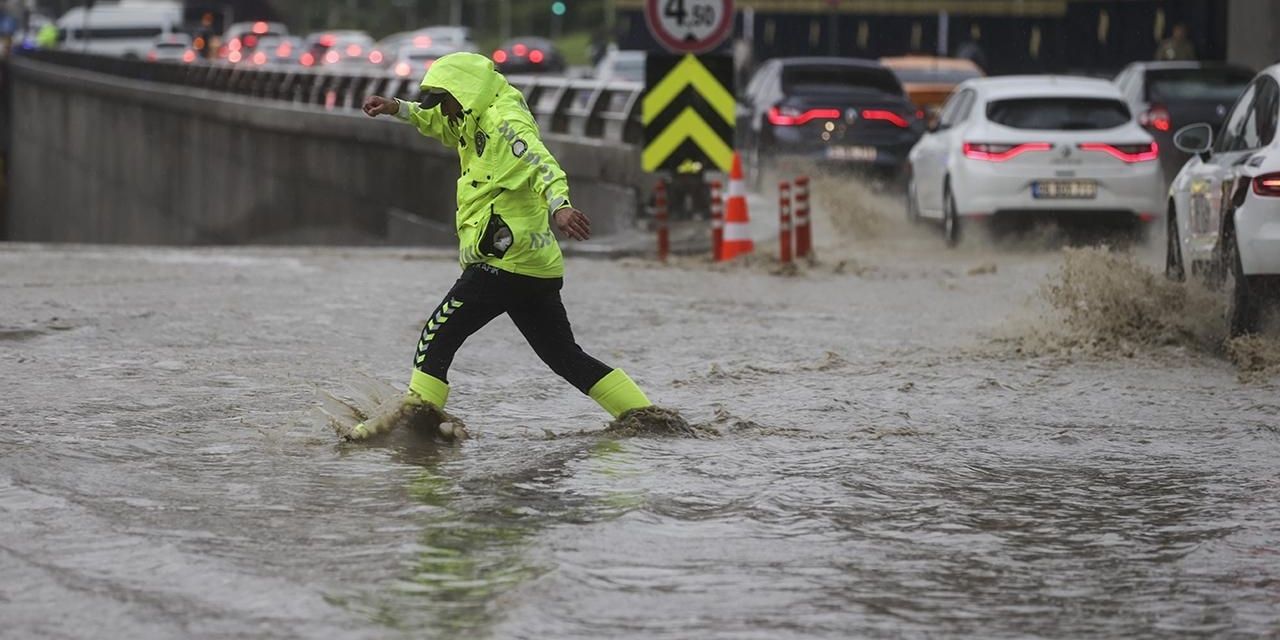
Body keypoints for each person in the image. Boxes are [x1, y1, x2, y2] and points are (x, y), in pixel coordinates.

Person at [352, 52, 653, 439]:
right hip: (530, 265)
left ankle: (414, 423)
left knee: (437, 334)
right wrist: (399, 108)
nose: (444, 109)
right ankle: (646, 418)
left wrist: (560, 206)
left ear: (463, 91)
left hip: (503, 257)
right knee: (564, 357)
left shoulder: (505, 121)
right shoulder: (471, 115)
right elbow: (440, 124)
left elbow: (543, 164)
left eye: (445, 99)